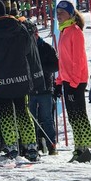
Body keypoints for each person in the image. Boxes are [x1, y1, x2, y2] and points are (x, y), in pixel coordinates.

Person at [0, 0, 39, 161]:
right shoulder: (19, 27)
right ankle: (31, 147)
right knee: (23, 111)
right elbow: (28, 48)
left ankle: (12, 147)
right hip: (21, 76)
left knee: (5, 113)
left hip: (0, 78)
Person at [54, 1, 91, 161]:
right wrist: (59, 81)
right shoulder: (63, 31)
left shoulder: (75, 31)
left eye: (62, 12)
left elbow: (78, 59)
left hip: (76, 80)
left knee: (80, 114)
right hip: (68, 80)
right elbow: (63, 60)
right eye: (57, 12)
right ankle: (79, 148)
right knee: (73, 117)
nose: (58, 15)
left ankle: (87, 149)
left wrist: (74, 82)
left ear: (70, 14)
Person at [26, 20, 59, 155]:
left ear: (36, 34)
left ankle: (52, 144)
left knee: (47, 118)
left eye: (31, 35)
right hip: (31, 89)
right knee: (31, 118)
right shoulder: (26, 49)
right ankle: (35, 144)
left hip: (45, 87)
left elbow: (56, 65)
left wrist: (41, 68)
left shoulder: (46, 47)